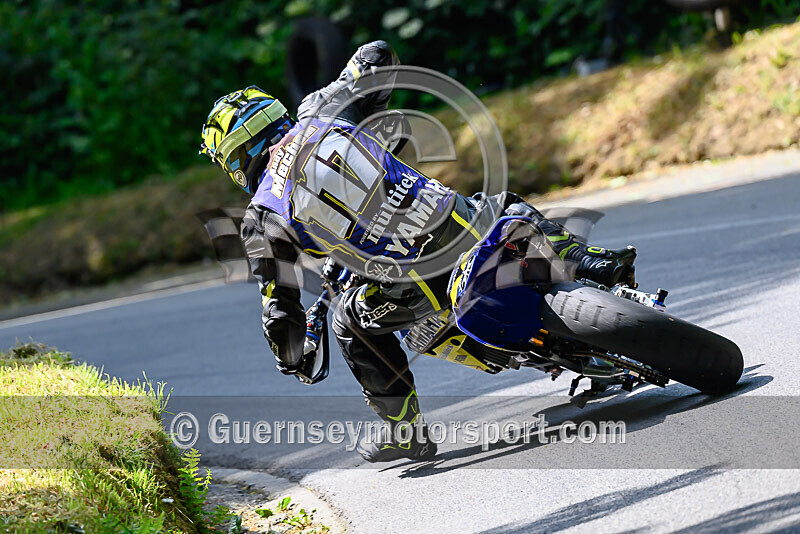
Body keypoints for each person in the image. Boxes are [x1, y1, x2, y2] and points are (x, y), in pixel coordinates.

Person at [200, 41, 636, 463]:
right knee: (507, 207)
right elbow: (376, 54)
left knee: (348, 320)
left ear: (237, 159)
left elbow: (280, 312)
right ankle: (592, 262)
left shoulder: (261, 215)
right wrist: (370, 110)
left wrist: (291, 358)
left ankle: (402, 431)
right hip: (460, 223)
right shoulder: (321, 111)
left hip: (412, 284)